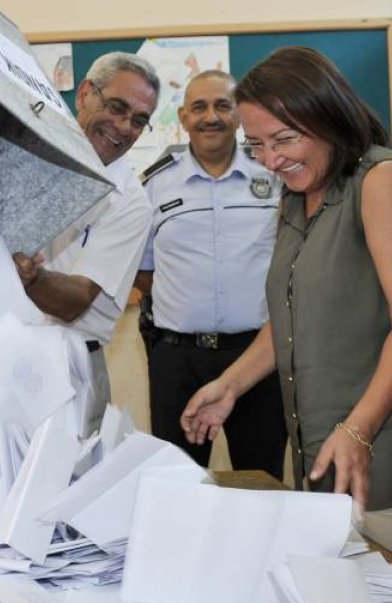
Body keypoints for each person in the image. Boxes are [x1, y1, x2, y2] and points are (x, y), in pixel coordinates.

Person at [180, 46, 392, 565]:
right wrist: (231, 385)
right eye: (257, 145)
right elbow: (293, 319)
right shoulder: (296, 196)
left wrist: (359, 428)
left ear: (329, 116)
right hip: (325, 473)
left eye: (284, 140)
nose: (270, 160)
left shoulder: (383, 182)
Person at [134, 70, 288, 480]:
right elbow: (144, 271)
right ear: (182, 117)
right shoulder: (155, 184)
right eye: (199, 107)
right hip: (176, 359)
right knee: (178, 480)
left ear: (239, 114)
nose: (210, 117)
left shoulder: (273, 175)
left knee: (261, 476)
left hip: (256, 355)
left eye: (222, 105)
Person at [13, 51, 157, 433]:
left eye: (139, 121)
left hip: (71, 367)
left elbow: (75, 301)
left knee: (69, 482)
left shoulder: (130, 200)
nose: (124, 127)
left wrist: (28, 277)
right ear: (84, 94)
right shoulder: (26, 145)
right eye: (116, 107)